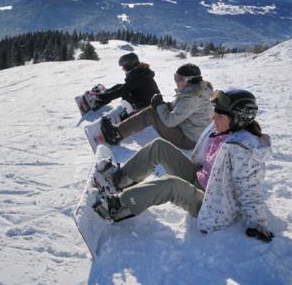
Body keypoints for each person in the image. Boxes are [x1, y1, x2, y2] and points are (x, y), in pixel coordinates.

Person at [92, 89, 274, 242]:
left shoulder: (244, 150)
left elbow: (249, 190)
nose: (213, 119)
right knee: (159, 147)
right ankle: (119, 179)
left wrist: (258, 224)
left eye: (219, 116)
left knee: (170, 184)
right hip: (199, 178)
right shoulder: (220, 129)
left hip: (211, 203)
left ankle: (117, 208)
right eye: (214, 113)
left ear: (239, 119)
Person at [99, 63, 213, 150]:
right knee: (157, 108)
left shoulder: (191, 97)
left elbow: (170, 121)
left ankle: (115, 134)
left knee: (152, 114)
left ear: (190, 80)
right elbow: (176, 108)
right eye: (176, 77)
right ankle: (129, 120)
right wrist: (161, 105)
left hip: (188, 140)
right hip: (192, 133)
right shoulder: (195, 91)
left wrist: (160, 105)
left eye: (179, 79)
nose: (176, 82)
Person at [93, 52, 161, 111]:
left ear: (129, 65)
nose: (122, 69)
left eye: (123, 67)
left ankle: (99, 100)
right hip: (146, 101)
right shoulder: (140, 72)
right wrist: (106, 94)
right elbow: (124, 87)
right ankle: (105, 94)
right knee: (119, 86)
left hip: (146, 107)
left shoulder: (138, 76)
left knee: (122, 91)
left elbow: (122, 91)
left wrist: (101, 97)